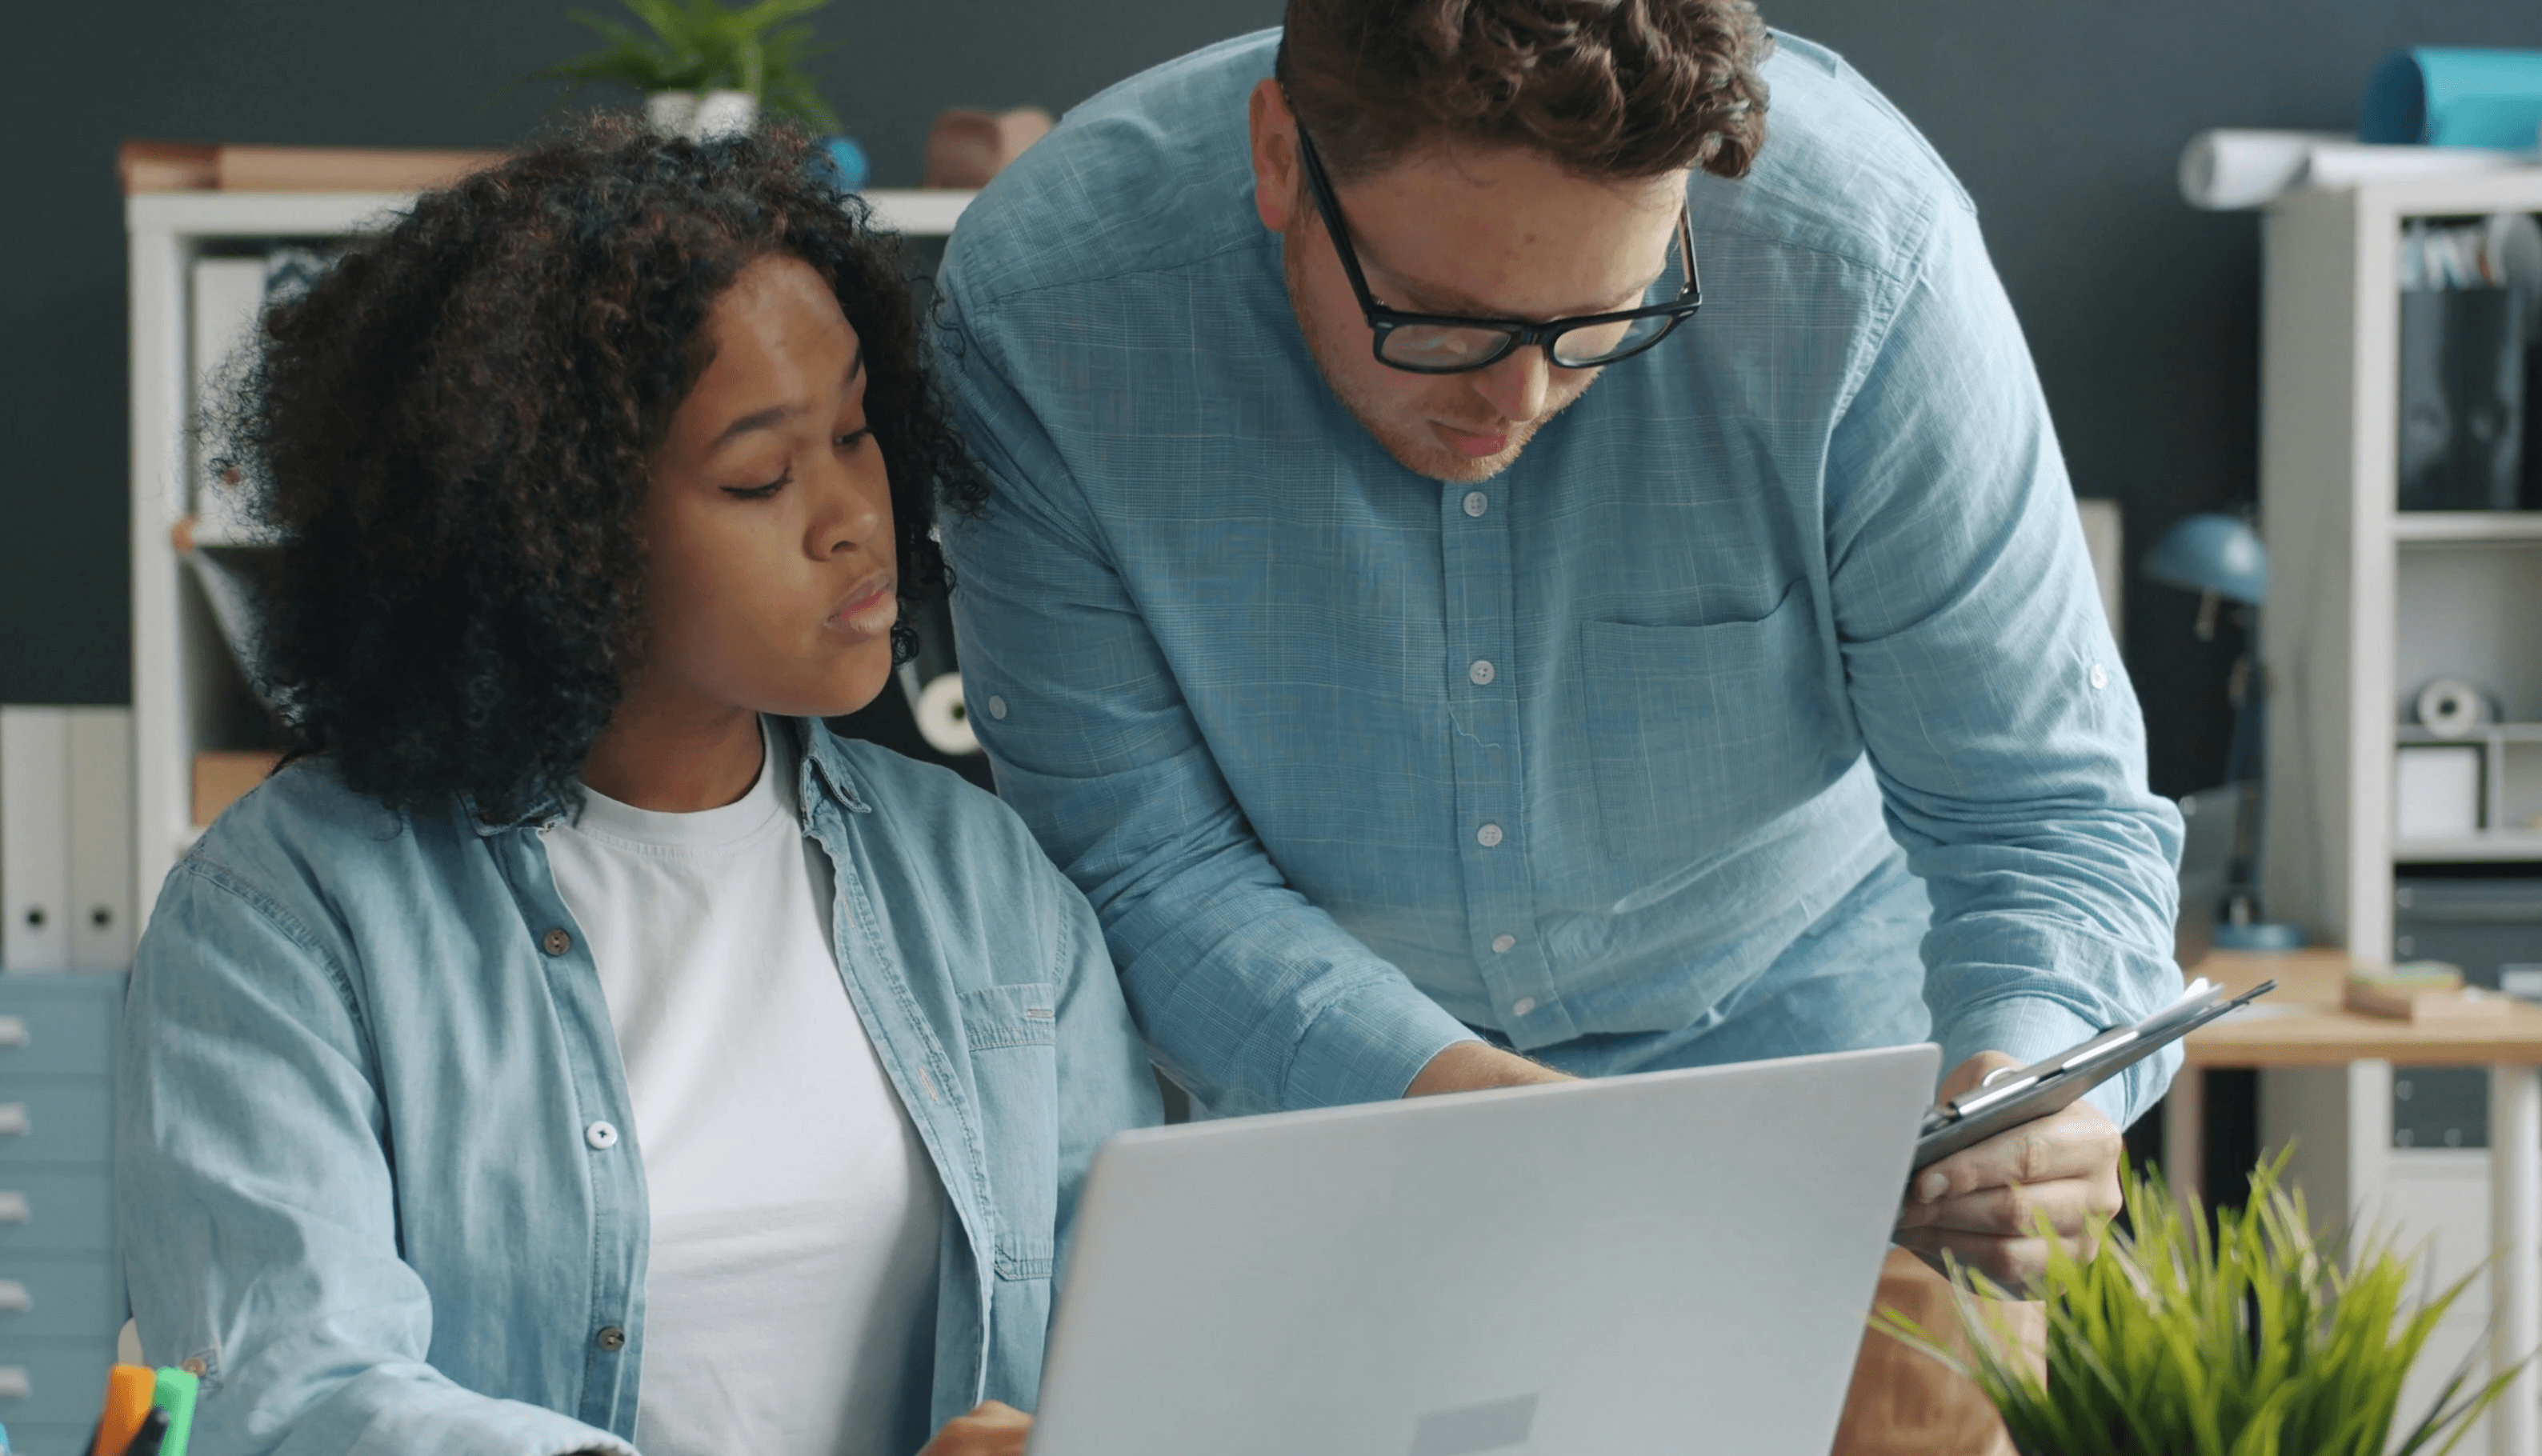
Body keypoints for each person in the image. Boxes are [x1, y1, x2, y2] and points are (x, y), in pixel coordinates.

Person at [935, 0, 2184, 1286]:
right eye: (1438, 319)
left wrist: (2037, 1082)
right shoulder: (1047, 308)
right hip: (1334, 1127)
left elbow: (2043, 815)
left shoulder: (1866, 260)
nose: (1518, 399)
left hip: (1831, 1097)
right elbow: (1145, 867)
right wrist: (1495, 1121)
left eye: (1607, 317)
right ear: (1278, 156)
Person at [114, 120, 1158, 1456]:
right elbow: (295, 1399)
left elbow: (1118, 1328)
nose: (850, 514)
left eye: (855, 430)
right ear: (554, 533)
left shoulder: (985, 885)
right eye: (760, 475)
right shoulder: (283, 916)